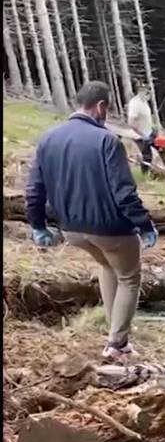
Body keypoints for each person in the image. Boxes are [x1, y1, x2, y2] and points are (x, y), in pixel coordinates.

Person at [26, 81, 158, 359]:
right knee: (129, 277)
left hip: (73, 229)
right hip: (110, 228)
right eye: (107, 109)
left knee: (108, 267)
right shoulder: (107, 141)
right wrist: (144, 225)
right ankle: (118, 344)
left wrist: (37, 225)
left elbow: (34, 189)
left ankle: (114, 334)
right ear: (100, 106)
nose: (106, 114)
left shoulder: (48, 138)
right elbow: (124, 191)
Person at [127, 85, 165, 175]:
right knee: (147, 156)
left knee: (161, 148)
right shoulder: (135, 104)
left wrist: (153, 127)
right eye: (147, 92)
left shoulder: (144, 102)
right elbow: (131, 122)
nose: (149, 95)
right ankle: (144, 175)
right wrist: (142, 135)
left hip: (150, 132)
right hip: (140, 135)